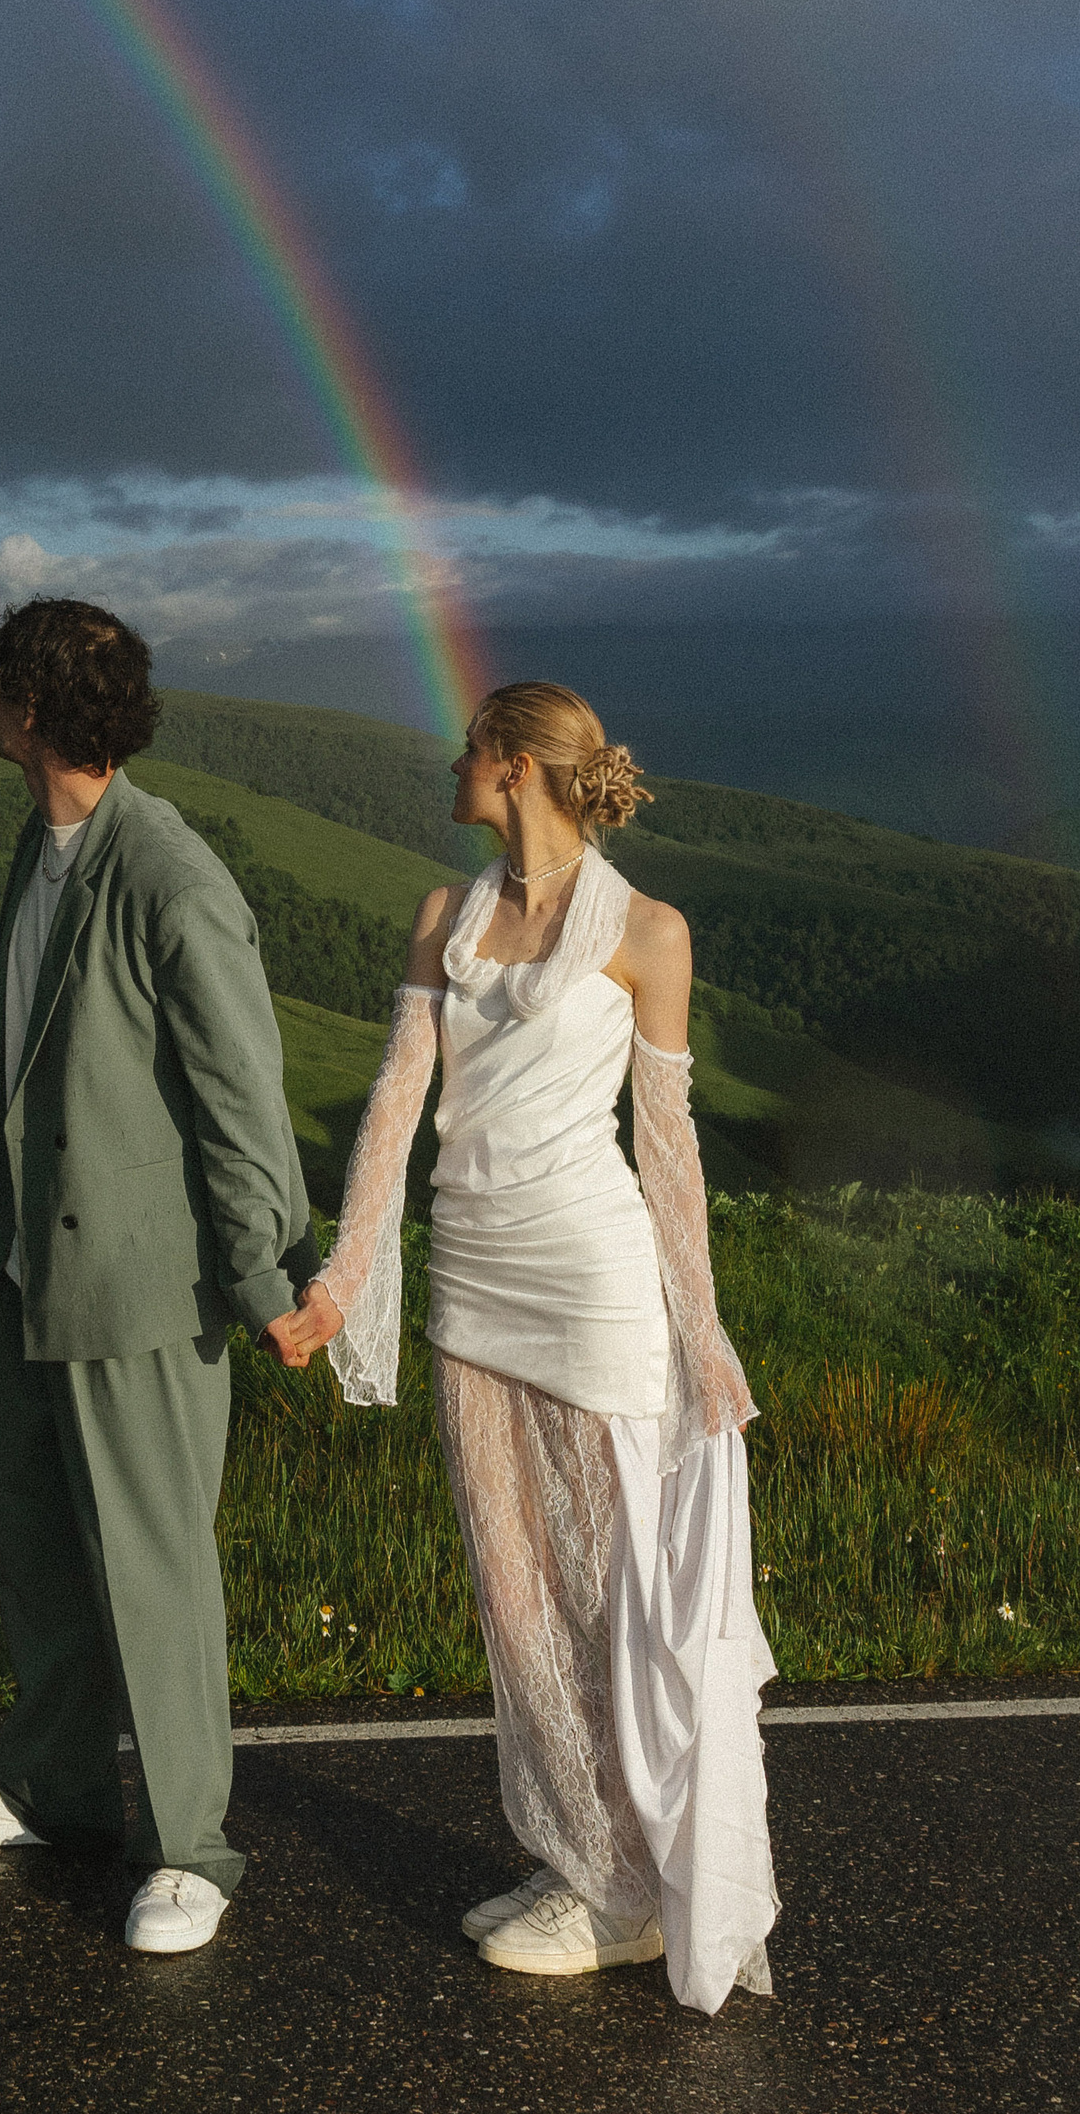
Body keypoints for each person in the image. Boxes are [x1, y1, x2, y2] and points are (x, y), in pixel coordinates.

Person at [270, 680, 779, 2011]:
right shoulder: (447, 916)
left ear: (510, 767)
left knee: (610, 1596)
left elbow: (667, 1149)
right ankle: (580, 1860)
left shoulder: (650, 933)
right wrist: (344, 1276)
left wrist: (703, 1327)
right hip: (476, 1274)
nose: (451, 764)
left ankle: (627, 1888)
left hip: (595, 1280)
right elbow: (397, 1099)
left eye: (468, 749)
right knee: (511, 1592)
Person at [0, 597, 325, 1955]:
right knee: (38, 1549)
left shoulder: (170, 876)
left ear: (31, 710)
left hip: (145, 1287)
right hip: (35, 1274)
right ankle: (55, 1789)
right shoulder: (42, 846)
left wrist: (267, 1277)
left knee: (153, 1569)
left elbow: (239, 1096)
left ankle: (192, 1848)